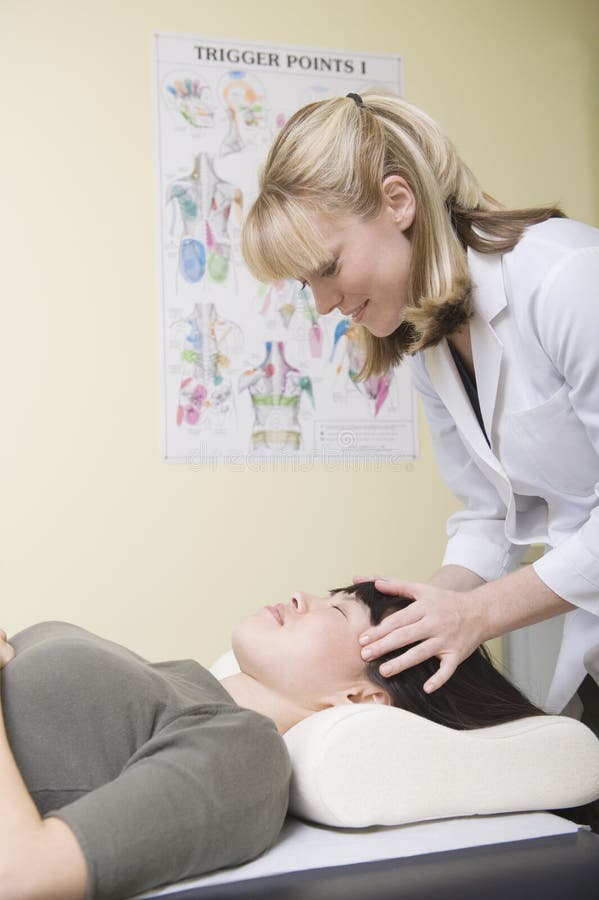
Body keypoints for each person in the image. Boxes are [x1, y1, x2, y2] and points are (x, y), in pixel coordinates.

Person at [241, 89, 599, 730]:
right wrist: (424, 612)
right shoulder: (430, 345)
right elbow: (491, 518)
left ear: (398, 202)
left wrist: (480, 615)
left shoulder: (567, 280)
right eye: (307, 284)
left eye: (328, 267)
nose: (323, 304)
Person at [0, 582, 595, 900]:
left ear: (362, 698)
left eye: (338, 612)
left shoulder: (242, 750)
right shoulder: (182, 683)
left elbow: (25, 876)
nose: (299, 596)